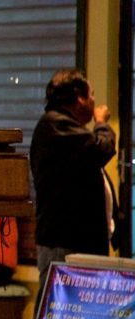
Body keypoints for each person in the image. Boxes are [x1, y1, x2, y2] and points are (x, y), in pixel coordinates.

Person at [30, 69, 116, 302]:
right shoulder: (56, 126)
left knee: (77, 314)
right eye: (92, 95)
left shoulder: (64, 129)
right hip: (65, 244)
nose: (94, 101)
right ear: (79, 96)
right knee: (59, 313)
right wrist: (101, 123)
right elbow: (101, 149)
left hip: (75, 242)